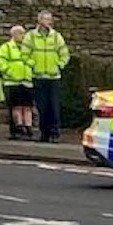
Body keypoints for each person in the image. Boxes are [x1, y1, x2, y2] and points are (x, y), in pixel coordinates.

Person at [22, 11, 71, 143]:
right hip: (38, 77)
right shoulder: (31, 36)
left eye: (50, 19)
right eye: (46, 19)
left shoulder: (56, 37)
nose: (49, 22)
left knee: (53, 107)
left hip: (53, 77)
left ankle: (54, 133)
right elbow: (24, 54)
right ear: (39, 21)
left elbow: (65, 54)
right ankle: (44, 133)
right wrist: (34, 65)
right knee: (41, 107)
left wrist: (59, 65)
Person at [0, 25, 33, 140]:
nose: (23, 36)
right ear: (14, 34)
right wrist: (10, 72)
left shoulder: (27, 48)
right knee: (15, 107)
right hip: (12, 83)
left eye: (23, 33)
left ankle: (27, 127)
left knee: (27, 107)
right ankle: (17, 128)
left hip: (26, 82)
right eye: (20, 33)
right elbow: (1, 63)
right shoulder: (6, 47)